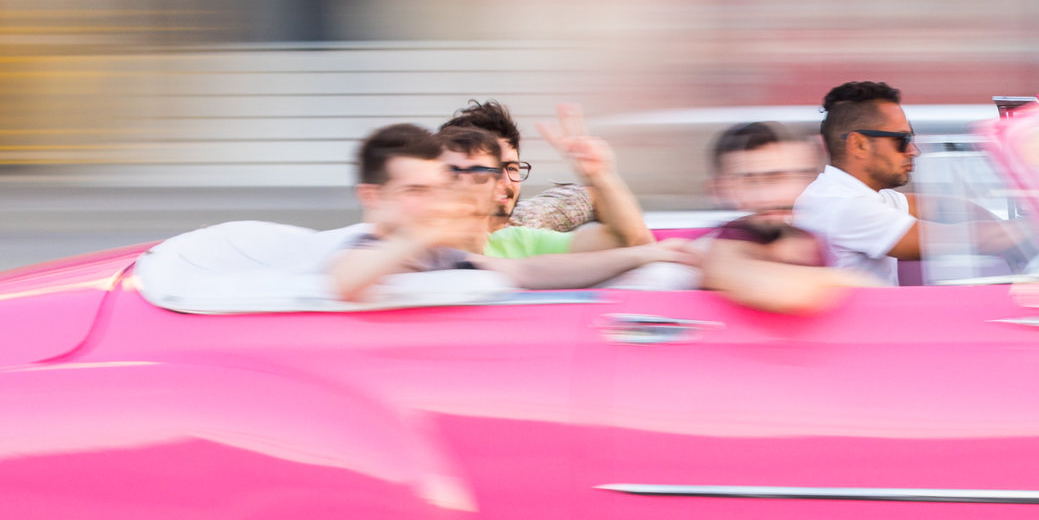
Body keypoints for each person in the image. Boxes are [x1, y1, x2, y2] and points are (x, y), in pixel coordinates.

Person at [330, 124, 699, 304]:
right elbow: (347, 279)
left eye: (478, 174)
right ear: (373, 197)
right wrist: (421, 234)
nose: (448, 192)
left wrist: (645, 253)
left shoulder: (456, 252)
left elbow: (527, 271)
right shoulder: (376, 246)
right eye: (415, 191)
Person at [437, 98, 651, 255]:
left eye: (511, 168)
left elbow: (634, 240)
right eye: (485, 169)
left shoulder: (528, 222)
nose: (505, 182)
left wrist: (599, 175)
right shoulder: (427, 237)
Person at [698, 120, 861, 315]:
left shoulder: (803, 234)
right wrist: (848, 280)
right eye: (764, 181)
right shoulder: (726, 243)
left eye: (801, 176)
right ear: (720, 190)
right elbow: (789, 293)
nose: (786, 192)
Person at [791, 79, 920, 283]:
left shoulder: (851, 194)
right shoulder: (842, 205)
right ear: (859, 144)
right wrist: (988, 232)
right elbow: (946, 242)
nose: (914, 151)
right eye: (902, 140)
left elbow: (939, 206)